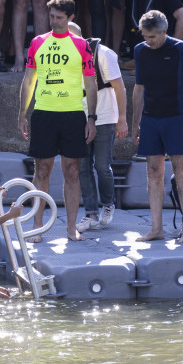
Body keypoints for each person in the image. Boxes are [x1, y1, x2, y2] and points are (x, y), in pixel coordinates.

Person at [17, 0, 97, 242]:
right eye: (51, 16)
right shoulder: (38, 42)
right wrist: (22, 113)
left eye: (59, 17)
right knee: (42, 169)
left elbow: (91, 84)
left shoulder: (82, 45)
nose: (53, 21)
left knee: (72, 170)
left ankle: (71, 227)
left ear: (71, 18)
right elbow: (29, 80)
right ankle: (39, 226)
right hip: (44, 113)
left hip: (73, 114)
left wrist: (91, 118)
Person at [132, 9, 183, 243]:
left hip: (177, 116)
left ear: (164, 31)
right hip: (151, 118)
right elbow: (139, 88)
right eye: (145, 36)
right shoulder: (140, 50)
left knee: (181, 171)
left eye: (152, 37)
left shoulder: (182, 49)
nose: (148, 41)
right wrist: (136, 122)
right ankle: (156, 228)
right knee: (153, 171)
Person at [68, 21, 127, 233]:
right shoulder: (65, 56)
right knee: (82, 166)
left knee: (102, 165)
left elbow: (120, 87)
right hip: (78, 115)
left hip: (104, 115)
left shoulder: (103, 53)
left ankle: (108, 204)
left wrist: (122, 119)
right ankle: (90, 213)